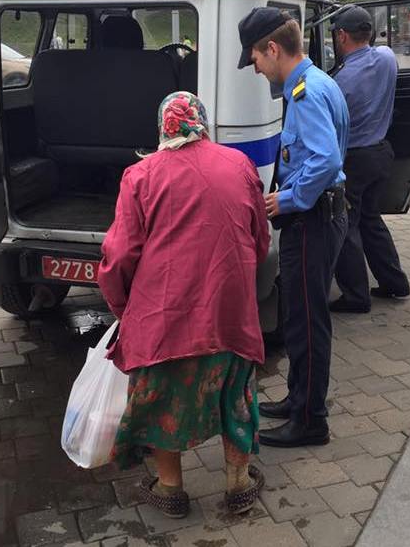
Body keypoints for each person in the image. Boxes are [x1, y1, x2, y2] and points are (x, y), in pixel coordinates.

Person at [98, 91, 270, 519]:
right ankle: (238, 484)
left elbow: (119, 256)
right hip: (229, 315)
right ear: (203, 123)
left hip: (164, 320)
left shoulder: (140, 176)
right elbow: (260, 240)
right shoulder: (240, 165)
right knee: (235, 395)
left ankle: (171, 488)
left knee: (162, 400)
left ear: (163, 128)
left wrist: (124, 309)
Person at [237, 7, 348, 448]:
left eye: (256, 61)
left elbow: (326, 160)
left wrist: (284, 199)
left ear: (272, 48)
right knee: (300, 316)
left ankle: (310, 420)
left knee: (307, 323)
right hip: (321, 215)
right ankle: (298, 399)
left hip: (314, 220)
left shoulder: (305, 93)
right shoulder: (318, 82)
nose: (258, 71)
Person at [327, 5, 410, 315]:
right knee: (372, 221)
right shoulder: (387, 58)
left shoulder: (340, 81)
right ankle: (395, 283)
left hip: (355, 160)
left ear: (342, 35)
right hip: (381, 154)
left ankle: (356, 296)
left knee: (346, 225)